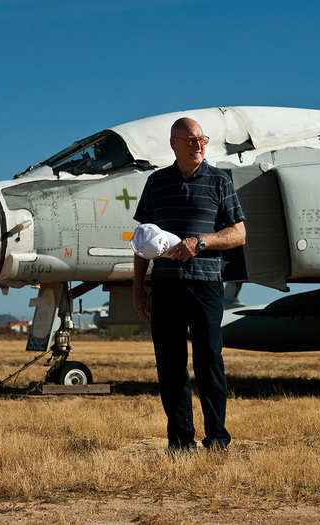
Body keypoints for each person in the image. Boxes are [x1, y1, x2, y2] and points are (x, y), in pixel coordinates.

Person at [132, 117, 246, 451]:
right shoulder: (156, 183)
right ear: (174, 144)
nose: (199, 145)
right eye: (191, 140)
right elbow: (141, 240)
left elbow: (239, 233)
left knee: (209, 362)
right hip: (165, 286)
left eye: (202, 139)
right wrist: (139, 287)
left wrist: (201, 243)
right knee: (170, 366)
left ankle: (217, 440)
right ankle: (180, 442)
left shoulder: (219, 181)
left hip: (206, 285)